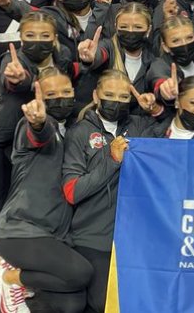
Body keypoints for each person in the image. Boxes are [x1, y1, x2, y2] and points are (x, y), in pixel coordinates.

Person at [0, 11, 72, 254]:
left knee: (22, 193)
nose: (37, 40)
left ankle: (29, 252)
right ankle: (4, 262)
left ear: (55, 38)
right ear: (21, 38)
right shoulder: (12, 61)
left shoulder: (62, 57)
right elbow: (11, 79)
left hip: (26, 130)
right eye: (30, 35)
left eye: (45, 35)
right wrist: (18, 79)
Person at [63, 69, 164, 313]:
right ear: (96, 96)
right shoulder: (79, 133)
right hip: (94, 236)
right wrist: (111, 159)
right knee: (100, 304)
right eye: (109, 95)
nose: (116, 102)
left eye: (123, 97)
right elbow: (72, 191)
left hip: (135, 236)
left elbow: (176, 143)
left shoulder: (141, 126)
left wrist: (157, 110)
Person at [0, 69, 92, 313]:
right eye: (52, 94)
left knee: (73, 304)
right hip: (22, 231)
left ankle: (27, 286)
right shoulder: (35, 126)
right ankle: (9, 279)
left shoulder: (74, 131)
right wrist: (36, 123)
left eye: (66, 92)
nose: (61, 98)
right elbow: (38, 134)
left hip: (55, 236)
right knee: (81, 273)